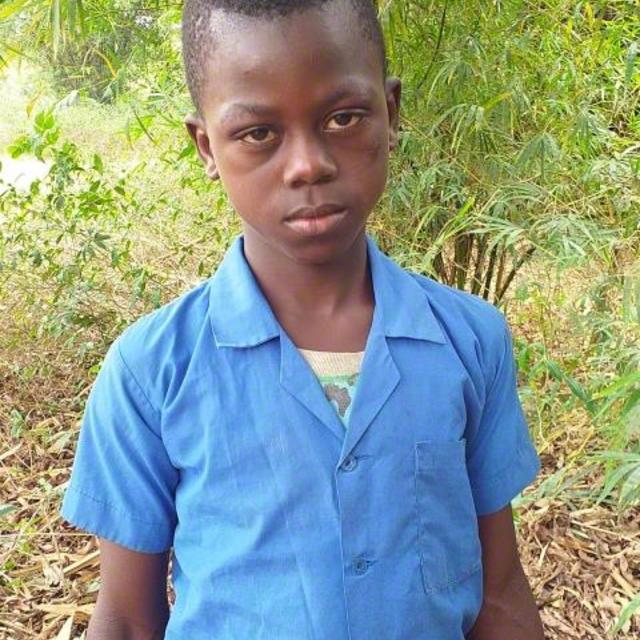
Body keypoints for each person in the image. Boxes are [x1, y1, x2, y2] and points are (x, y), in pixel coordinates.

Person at [59, 1, 545, 638]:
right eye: (259, 132)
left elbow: (499, 593)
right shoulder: (152, 371)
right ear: (207, 146)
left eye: (342, 118)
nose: (307, 164)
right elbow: (126, 620)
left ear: (390, 113)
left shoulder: (469, 341)